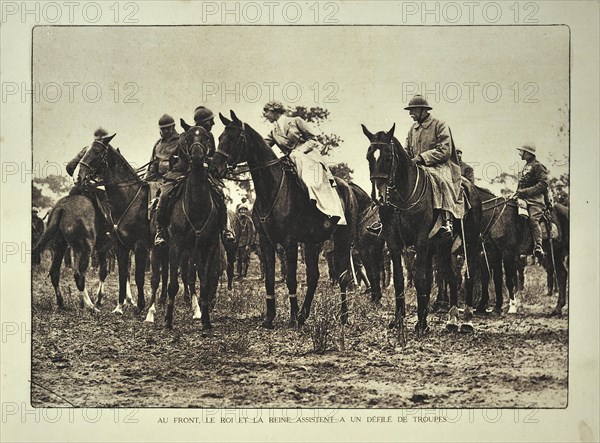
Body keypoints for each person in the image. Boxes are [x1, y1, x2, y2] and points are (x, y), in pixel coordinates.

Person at [262, 100, 346, 226]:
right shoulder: (273, 132)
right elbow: (262, 145)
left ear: (274, 111)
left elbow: (313, 139)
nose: (265, 115)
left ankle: (330, 213)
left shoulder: (296, 121)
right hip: (291, 162)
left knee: (311, 182)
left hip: (309, 158)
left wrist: (299, 151)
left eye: (266, 111)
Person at [404, 95, 463, 237]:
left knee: (441, 181)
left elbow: (445, 150)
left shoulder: (440, 125)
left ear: (423, 110)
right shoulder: (412, 129)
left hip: (439, 166)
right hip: (417, 167)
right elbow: (407, 150)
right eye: (410, 111)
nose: (411, 114)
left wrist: (422, 158)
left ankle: (446, 220)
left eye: (413, 110)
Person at [193, 106, 234, 241]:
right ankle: (162, 229)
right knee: (167, 195)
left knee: (220, 193)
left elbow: (213, 155)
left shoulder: (210, 136)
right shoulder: (190, 134)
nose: (213, 123)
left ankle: (225, 229)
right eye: (211, 121)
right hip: (191, 173)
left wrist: (214, 163)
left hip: (206, 174)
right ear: (204, 122)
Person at [66, 127, 114, 243]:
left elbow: (70, 167)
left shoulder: (86, 149)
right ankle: (107, 231)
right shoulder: (109, 152)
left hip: (81, 186)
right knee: (105, 207)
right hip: (96, 187)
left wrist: (78, 179)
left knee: (70, 198)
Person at [145, 114, 185, 245]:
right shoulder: (157, 144)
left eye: (168, 128)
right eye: (163, 129)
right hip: (159, 178)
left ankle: (160, 230)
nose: (165, 131)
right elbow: (152, 164)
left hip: (176, 178)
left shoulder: (181, 141)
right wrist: (147, 179)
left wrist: (172, 167)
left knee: (164, 195)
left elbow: (184, 162)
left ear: (173, 127)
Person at [515, 144, 549, 258]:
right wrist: (517, 193)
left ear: (528, 153)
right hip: (523, 200)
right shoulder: (526, 166)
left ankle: (538, 246)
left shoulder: (538, 166)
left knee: (533, 219)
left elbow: (543, 184)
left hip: (535, 201)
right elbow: (521, 185)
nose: (520, 154)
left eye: (522, 152)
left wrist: (525, 192)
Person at [233, 201, 255, 279]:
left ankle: (244, 274)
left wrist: (248, 244)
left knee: (245, 258)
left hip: (245, 242)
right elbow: (235, 230)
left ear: (246, 211)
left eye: (244, 210)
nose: (243, 211)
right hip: (238, 242)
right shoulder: (237, 220)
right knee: (238, 258)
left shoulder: (249, 220)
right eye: (241, 210)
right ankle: (238, 273)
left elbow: (250, 233)